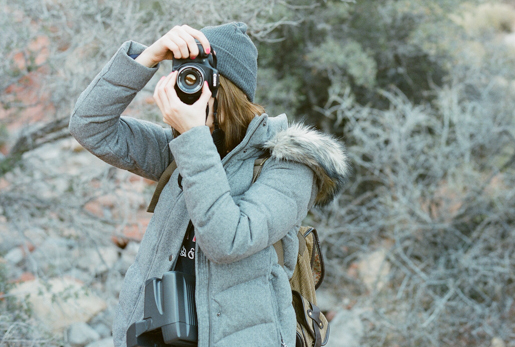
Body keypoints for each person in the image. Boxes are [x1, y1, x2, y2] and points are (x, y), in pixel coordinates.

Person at [69, 23, 348, 347]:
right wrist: (147, 57)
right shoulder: (182, 148)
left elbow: (227, 240)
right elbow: (89, 126)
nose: (185, 91)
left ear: (226, 90)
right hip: (155, 333)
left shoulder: (290, 167)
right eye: (181, 79)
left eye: (196, 80)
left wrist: (191, 137)